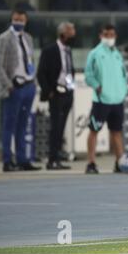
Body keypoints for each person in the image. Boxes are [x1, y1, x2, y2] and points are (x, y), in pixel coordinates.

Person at [0, 8, 41, 172]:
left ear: (26, 21)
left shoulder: (28, 38)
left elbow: (30, 60)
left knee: (22, 124)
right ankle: (7, 160)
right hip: (13, 87)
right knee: (9, 125)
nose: (18, 22)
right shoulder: (3, 39)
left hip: (28, 85)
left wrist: (34, 82)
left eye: (21, 20)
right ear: (12, 19)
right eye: (16, 19)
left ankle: (22, 159)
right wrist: (8, 84)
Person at [84, 24, 128, 174]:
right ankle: (91, 163)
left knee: (116, 132)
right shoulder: (95, 53)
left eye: (112, 35)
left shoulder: (117, 54)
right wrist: (97, 86)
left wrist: (123, 90)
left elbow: (123, 74)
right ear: (100, 36)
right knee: (94, 130)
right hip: (101, 100)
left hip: (117, 99)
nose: (109, 37)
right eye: (106, 34)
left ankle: (119, 162)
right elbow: (88, 75)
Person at [37, 22, 76, 170]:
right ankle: (51, 159)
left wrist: (71, 89)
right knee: (55, 127)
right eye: (71, 33)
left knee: (61, 127)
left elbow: (68, 71)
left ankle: (57, 157)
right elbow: (41, 73)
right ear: (63, 34)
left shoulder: (68, 50)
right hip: (55, 94)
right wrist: (49, 92)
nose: (73, 36)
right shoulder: (50, 50)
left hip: (67, 92)